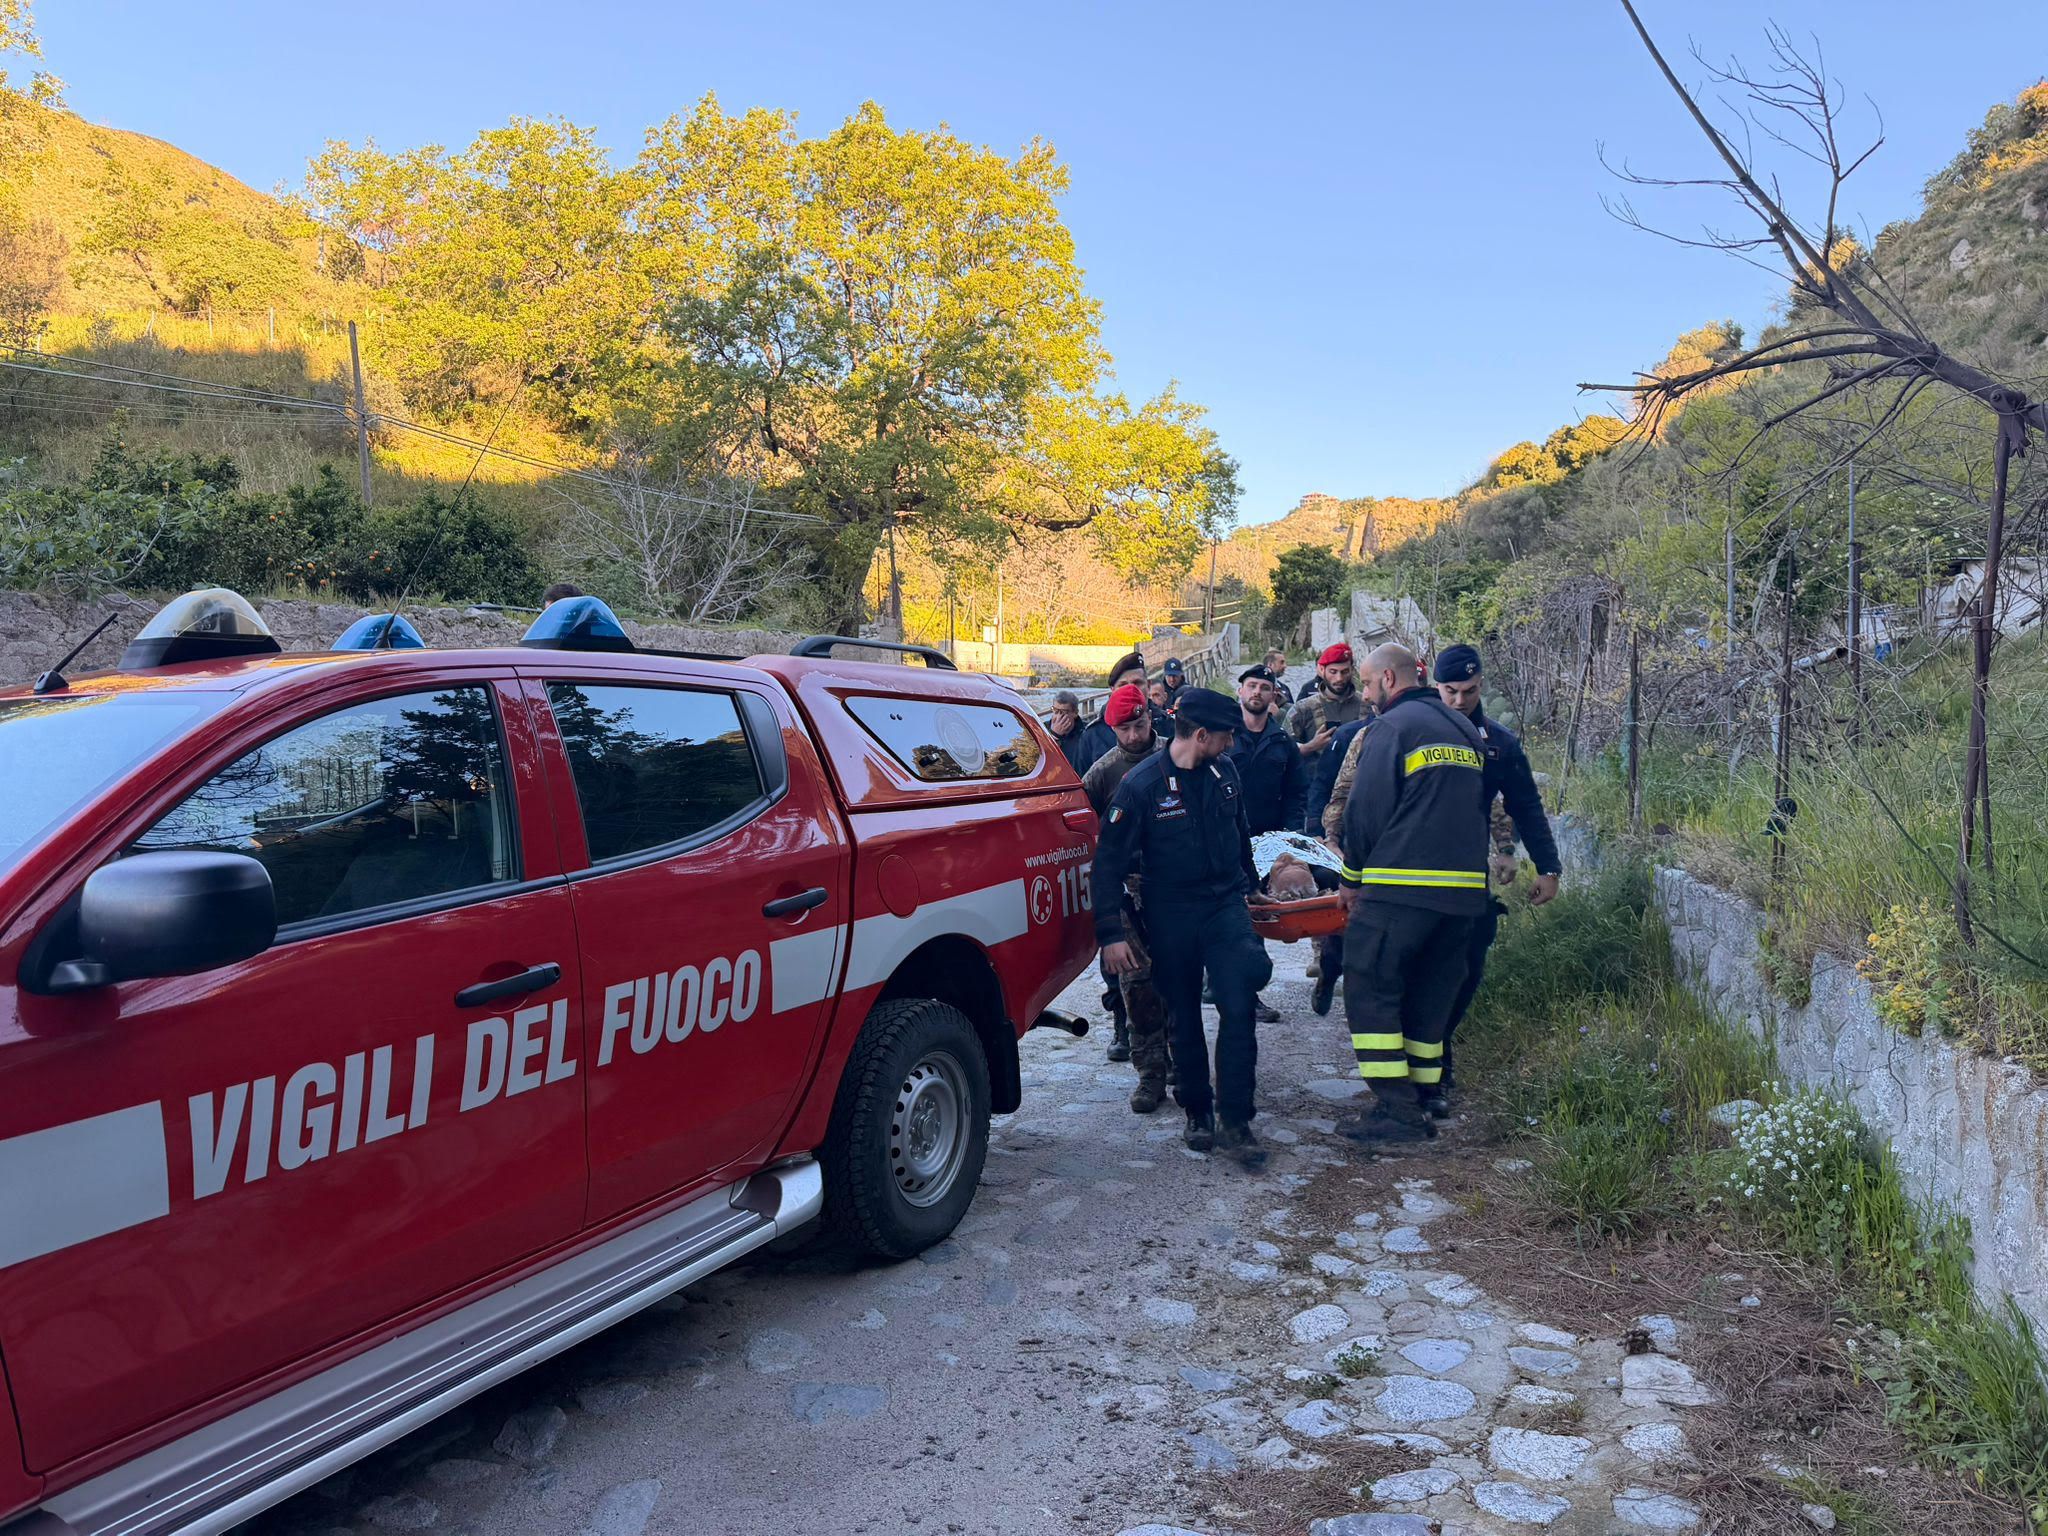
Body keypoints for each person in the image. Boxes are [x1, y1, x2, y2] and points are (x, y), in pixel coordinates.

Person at [1094, 688, 1275, 1166]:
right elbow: (1107, 865)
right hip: (1170, 911)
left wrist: (1253, 887)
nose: (1231, 744)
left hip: (1223, 905)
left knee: (1238, 1004)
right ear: (1200, 735)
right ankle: (1198, 1111)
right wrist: (1110, 935)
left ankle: (1237, 1118)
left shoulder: (1224, 772)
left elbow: (1240, 834)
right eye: (1224, 736)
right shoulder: (1140, 786)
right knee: (1185, 1013)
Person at [1333, 642, 1490, 1143]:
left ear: (1388, 680)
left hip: (1400, 888)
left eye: (1367, 681)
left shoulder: (1391, 729)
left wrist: (1351, 879)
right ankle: (1424, 1093)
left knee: (1370, 981)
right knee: (1431, 991)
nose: (1364, 691)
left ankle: (1395, 1108)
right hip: (1463, 894)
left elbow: (1366, 810)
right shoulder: (1464, 728)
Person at [1429, 644, 1561, 1114]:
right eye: (1450, 691)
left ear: (1481, 684)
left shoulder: (1499, 742)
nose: (1460, 700)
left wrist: (1547, 867)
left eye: (1469, 691)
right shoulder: (1414, 729)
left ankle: (1438, 1053)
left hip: (1466, 876)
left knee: (1465, 969)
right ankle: (1420, 1066)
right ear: (1434, 685)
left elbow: (1525, 803)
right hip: (1408, 870)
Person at [1082, 684, 1174, 1111]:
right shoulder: (1103, 773)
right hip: (1127, 888)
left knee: (1177, 980)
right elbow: (1084, 832)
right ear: (1111, 728)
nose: (1134, 735)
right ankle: (1150, 1074)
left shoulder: (1177, 757)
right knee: (1137, 986)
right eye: (1125, 729)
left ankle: (1181, 1064)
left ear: (1150, 718)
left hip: (1174, 887)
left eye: (1139, 725)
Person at [1227, 663, 1307, 1024]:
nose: (1257, 692)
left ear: (1274, 696)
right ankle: (1220, 978)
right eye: (1251, 686)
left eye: (1264, 687)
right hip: (1225, 840)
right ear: (1241, 692)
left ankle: (1248, 994)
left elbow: (1296, 794)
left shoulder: (1283, 742)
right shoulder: (1224, 736)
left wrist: (1288, 837)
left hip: (1266, 843)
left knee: (1255, 915)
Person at [1290, 643, 1363, 757]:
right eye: (1333, 672)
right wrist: (1310, 746)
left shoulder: (1367, 705)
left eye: (1344, 672)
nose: (1339, 678)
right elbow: (1282, 750)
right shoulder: (1303, 708)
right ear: (1322, 670)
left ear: (1352, 670)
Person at [1045, 691, 1092, 776]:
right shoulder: (1042, 729)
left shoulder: (1087, 733)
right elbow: (1040, 760)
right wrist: (1054, 736)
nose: (1058, 716)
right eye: (1055, 710)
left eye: (1063, 712)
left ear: (1075, 713)